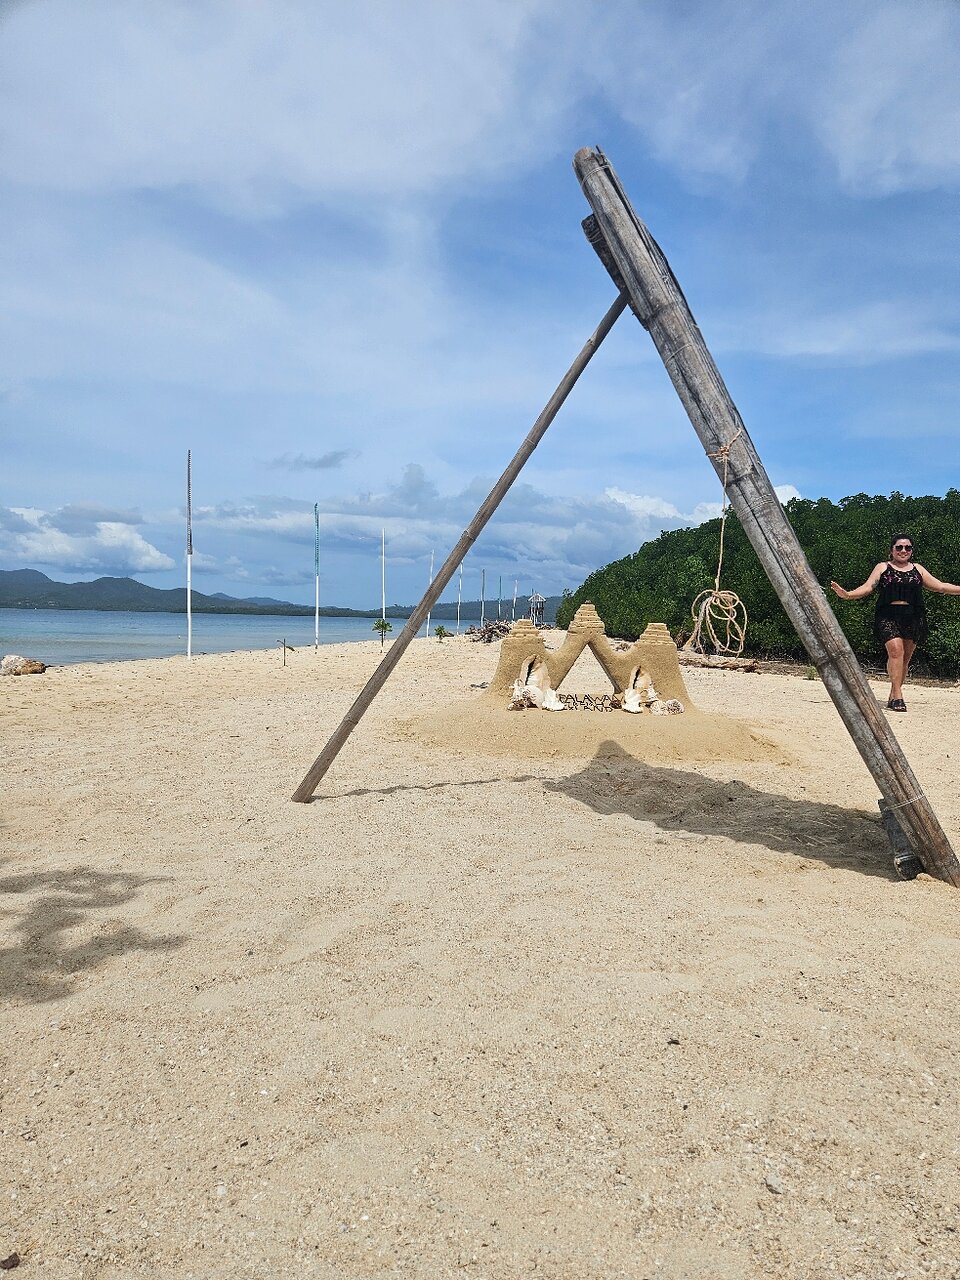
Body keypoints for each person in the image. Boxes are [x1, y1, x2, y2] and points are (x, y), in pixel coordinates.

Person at [831, 534, 960, 711]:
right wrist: (848, 595)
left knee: (904, 659)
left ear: (912, 551)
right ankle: (899, 696)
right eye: (899, 547)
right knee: (896, 652)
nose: (903, 551)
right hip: (888, 615)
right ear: (892, 550)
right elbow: (868, 586)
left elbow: (941, 586)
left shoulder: (918, 570)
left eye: (907, 547)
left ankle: (893, 694)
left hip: (913, 616)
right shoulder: (883, 567)